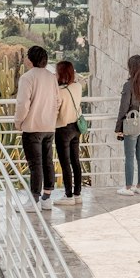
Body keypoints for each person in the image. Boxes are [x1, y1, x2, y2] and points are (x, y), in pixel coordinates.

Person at [13, 44, 59, 210]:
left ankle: (34, 200)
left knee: (35, 164)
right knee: (47, 161)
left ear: (30, 60)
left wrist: (18, 122)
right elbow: (57, 101)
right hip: (49, 126)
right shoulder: (51, 77)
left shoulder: (27, 78)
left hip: (32, 126)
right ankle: (47, 198)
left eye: (26, 56)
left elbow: (23, 104)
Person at [115, 54, 140, 195]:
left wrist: (118, 128)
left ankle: (128, 187)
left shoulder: (128, 85)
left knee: (129, 156)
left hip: (131, 125)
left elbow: (123, 108)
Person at [54, 59, 83, 204]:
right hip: (76, 127)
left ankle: (68, 195)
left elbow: (55, 110)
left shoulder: (59, 92)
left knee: (65, 163)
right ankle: (77, 194)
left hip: (63, 129)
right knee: (75, 161)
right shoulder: (77, 87)